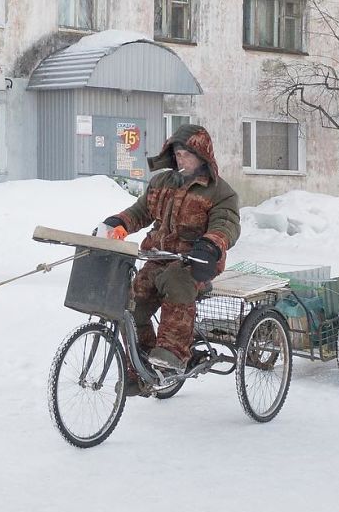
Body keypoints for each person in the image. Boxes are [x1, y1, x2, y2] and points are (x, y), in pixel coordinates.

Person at [97, 124, 240, 393]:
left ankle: (173, 353)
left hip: (196, 263)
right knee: (131, 301)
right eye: (176, 153)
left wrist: (211, 244)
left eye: (186, 154)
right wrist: (120, 223)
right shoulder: (162, 183)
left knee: (176, 280)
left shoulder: (219, 192)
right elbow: (140, 212)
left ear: (203, 156)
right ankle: (144, 367)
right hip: (159, 256)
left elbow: (226, 224)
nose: (180, 159)